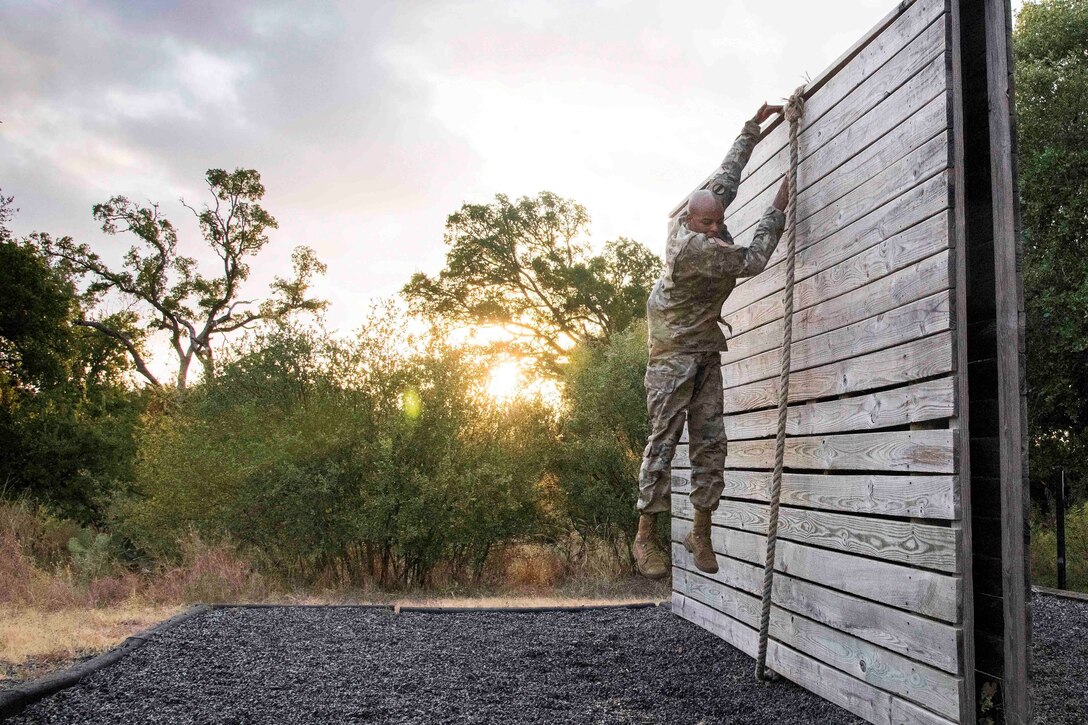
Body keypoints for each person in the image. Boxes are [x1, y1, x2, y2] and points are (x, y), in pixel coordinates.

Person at [634, 102, 790, 579]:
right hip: (671, 355)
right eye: (709, 223)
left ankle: (701, 529)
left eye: (718, 221)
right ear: (691, 222)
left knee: (711, 442)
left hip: (702, 349)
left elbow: (726, 175)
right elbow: (754, 260)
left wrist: (751, 129)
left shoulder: (706, 212)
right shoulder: (694, 250)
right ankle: (643, 538)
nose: (717, 227)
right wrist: (777, 209)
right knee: (664, 441)